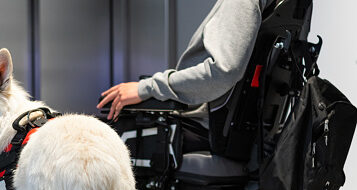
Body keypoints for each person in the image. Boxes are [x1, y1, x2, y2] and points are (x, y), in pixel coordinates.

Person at [97, 0, 274, 152]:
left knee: (88, 135)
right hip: (235, 130)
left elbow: (223, 72)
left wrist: (146, 88)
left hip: (204, 127)